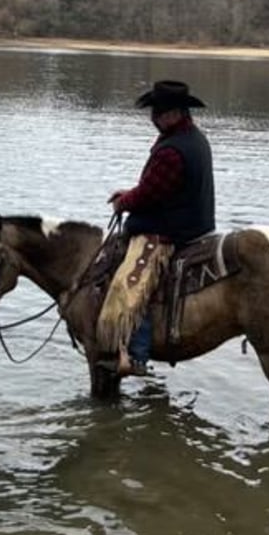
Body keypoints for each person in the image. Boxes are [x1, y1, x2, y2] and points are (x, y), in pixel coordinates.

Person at [100, 80, 216, 376]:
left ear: (175, 113)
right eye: (154, 111)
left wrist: (124, 202)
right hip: (191, 221)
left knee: (129, 285)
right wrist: (130, 195)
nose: (154, 118)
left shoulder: (171, 151)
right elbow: (160, 188)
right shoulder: (194, 139)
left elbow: (150, 194)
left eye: (159, 112)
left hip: (170, 230)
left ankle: (135, 355)